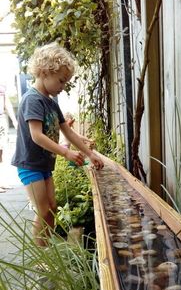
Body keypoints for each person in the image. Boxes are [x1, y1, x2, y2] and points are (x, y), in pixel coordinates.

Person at [11, 42, 104, 247]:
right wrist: (65, 153)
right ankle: (41, 254)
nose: (63, 87)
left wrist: (89, 153)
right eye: (61, 81)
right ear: (45, 72)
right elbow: (36, 136)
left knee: (52, 207)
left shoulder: (52, 103)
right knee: (43, 210)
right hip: (30, 164)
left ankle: (46, 247)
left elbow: (67, 131)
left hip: (44, 165)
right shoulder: (32, 100)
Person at [0, 84, 18, 163]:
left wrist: (14, 121)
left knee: (2, 141)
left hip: (1, 118)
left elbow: (8, 106)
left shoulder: (2, 90)